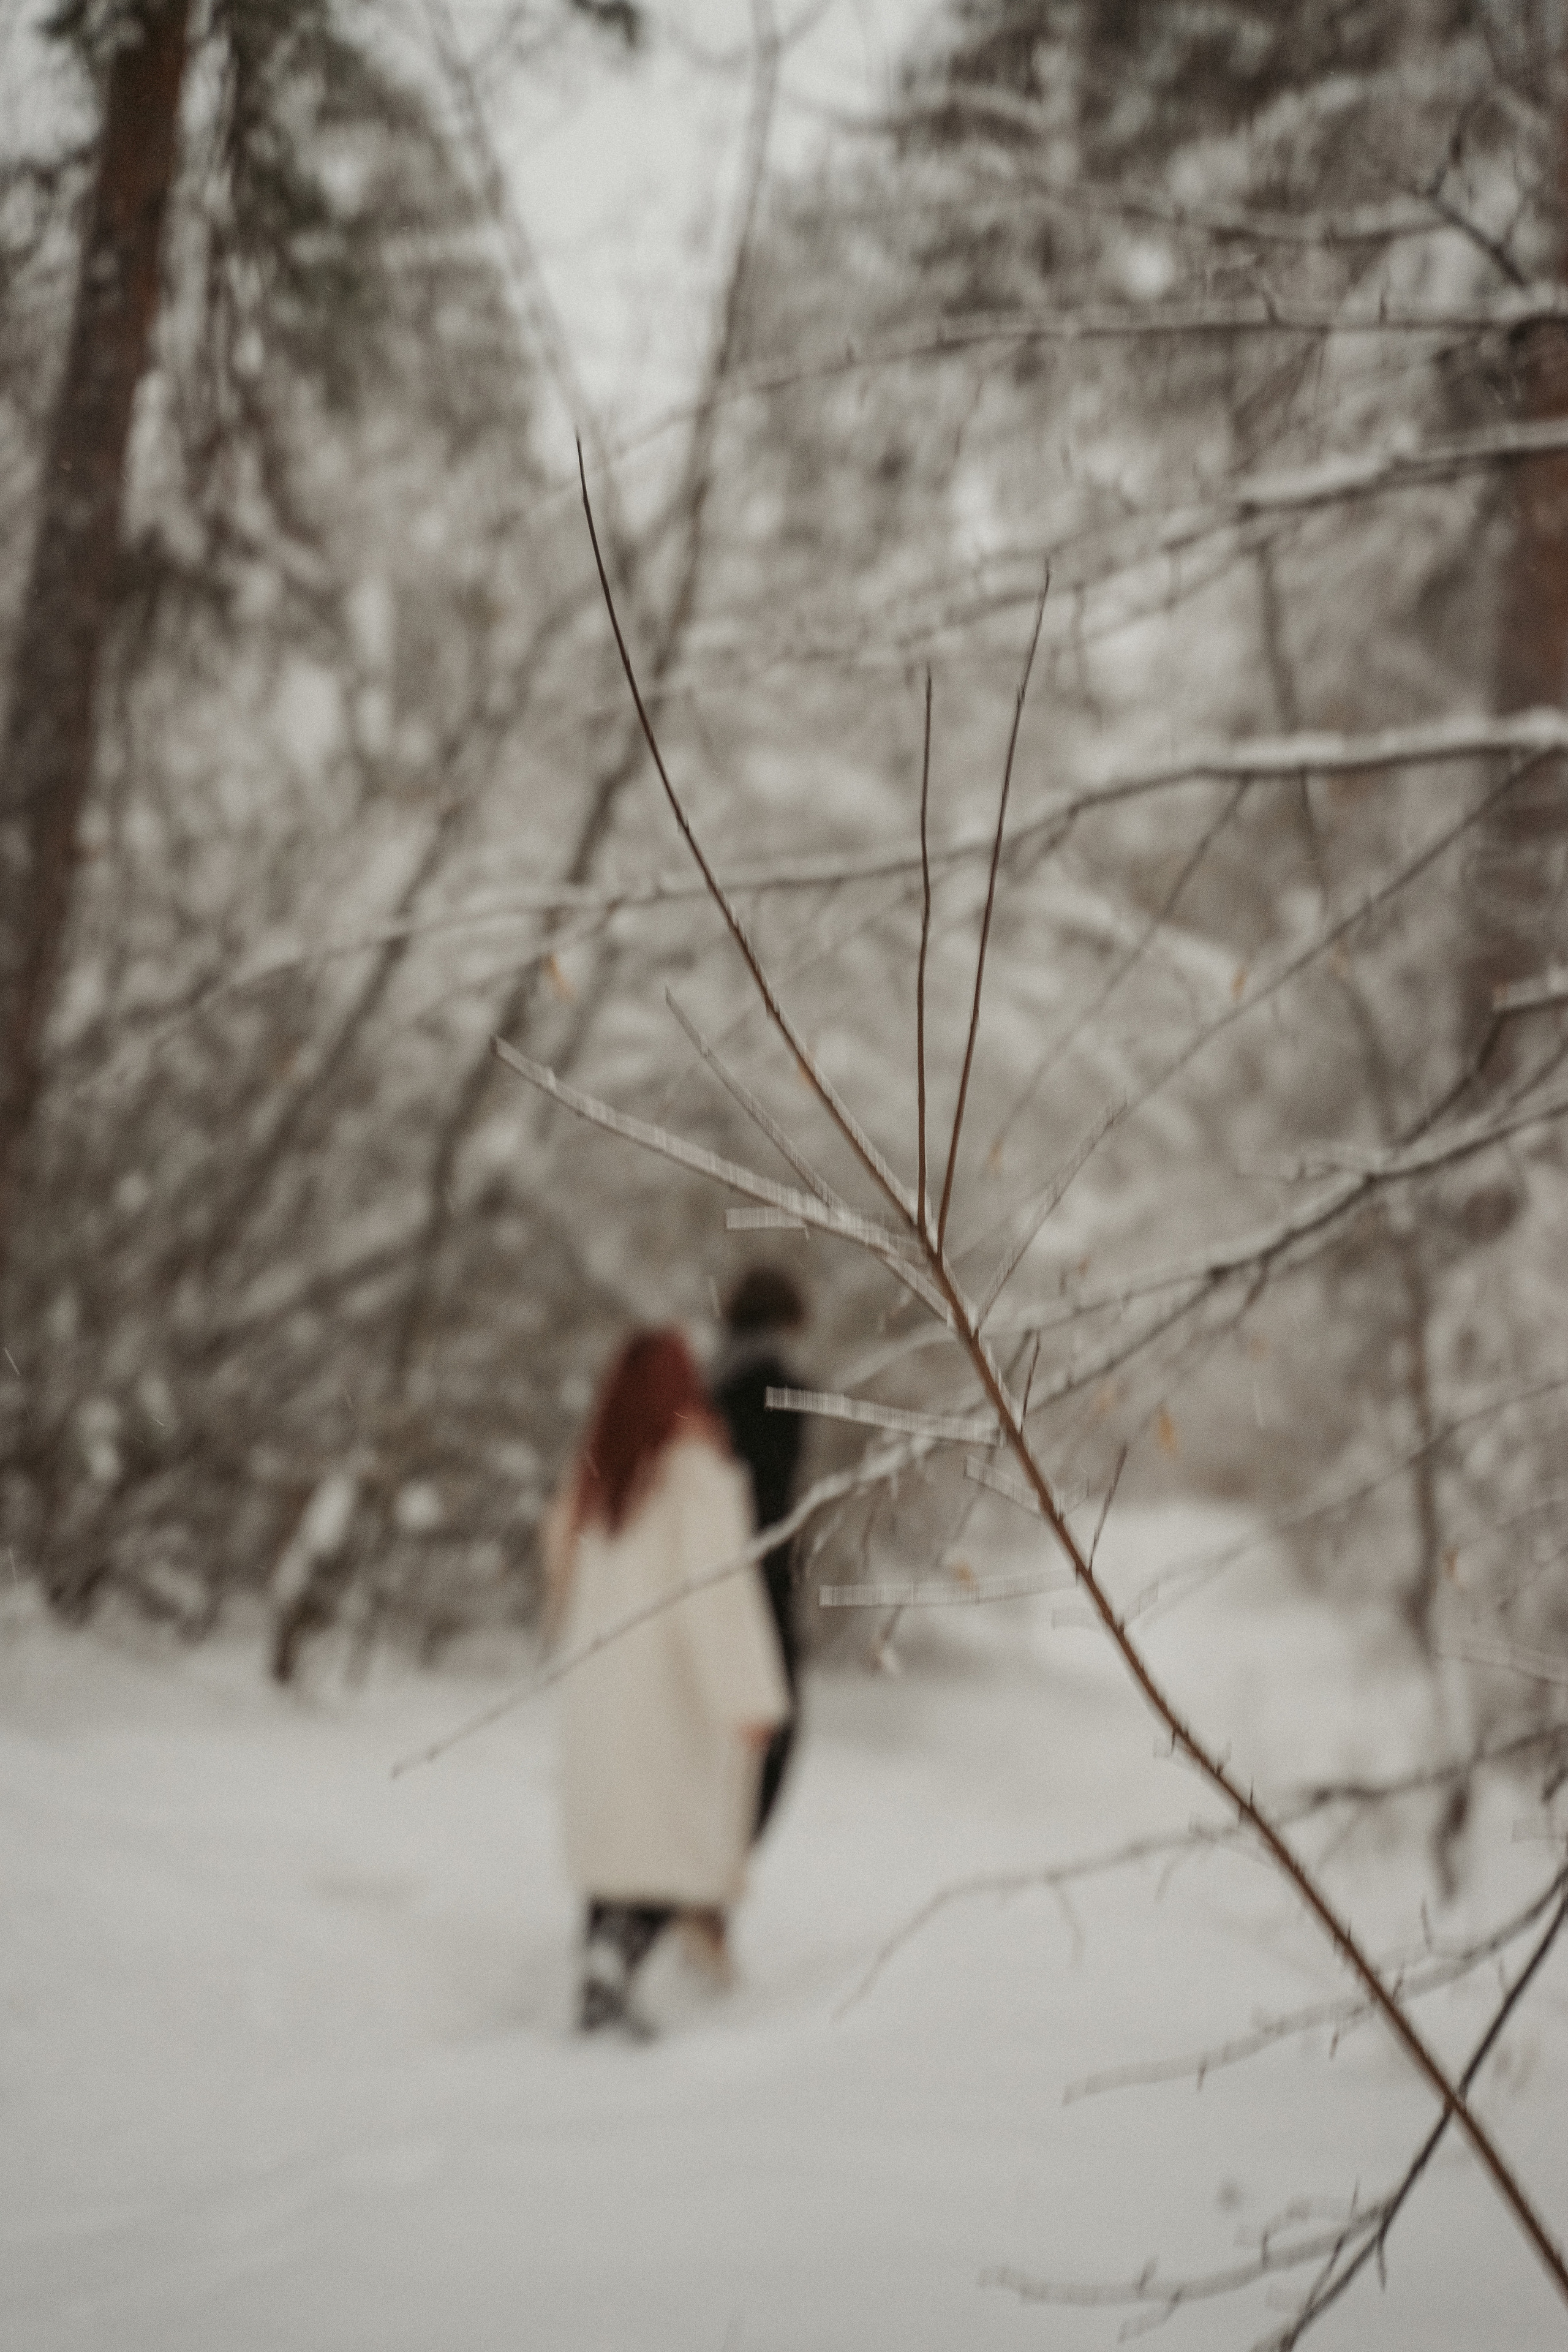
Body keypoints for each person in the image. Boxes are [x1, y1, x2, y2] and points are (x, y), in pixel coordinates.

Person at [543, 1328, 791, 2037]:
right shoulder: (694, 1476)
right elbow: (717, 1598)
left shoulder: (595, 1475)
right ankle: (611, 1967)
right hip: (672, 1692)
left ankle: (601, 1960)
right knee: (672, 1838)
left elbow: (561, 1573)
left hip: (603, 1686)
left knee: (619, 1836)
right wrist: (747, 1696)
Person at [710, 1265, 808, 1837]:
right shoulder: (772, 1383)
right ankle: (717, 1863)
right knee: (773, 1724)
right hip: (760, 1576)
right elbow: (772, 1488)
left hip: (710, 1575)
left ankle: (695, 1867)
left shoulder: (709, 1379)